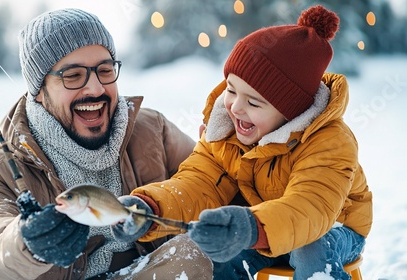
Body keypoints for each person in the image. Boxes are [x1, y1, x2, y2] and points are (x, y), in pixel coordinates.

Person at [0, 8, 213, 280]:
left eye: (105, 70)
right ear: (39, 91)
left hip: (137, 274)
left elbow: (213, 186)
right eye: (73, 76)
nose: (95, 88)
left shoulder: (152, 130)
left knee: (189, 255)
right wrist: (26, 242)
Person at [111, 5, 373, 280]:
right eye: (232, 90)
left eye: (253, 102)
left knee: (312, 247)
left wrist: (251, 225)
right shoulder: (225, 133)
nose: (235, 107)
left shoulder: (329, 141)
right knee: (218, 256)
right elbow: (196, 183)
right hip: (262, 225)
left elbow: (309, 207)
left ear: (290, 111)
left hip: (333, 226)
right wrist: (151, 208)